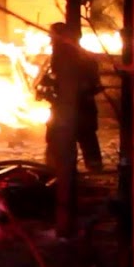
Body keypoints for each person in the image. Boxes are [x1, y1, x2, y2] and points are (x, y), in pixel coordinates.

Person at [40, 22, 104, 173]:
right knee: (87, 139)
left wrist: (49, 89)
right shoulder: (84, 55)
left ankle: (58, 171)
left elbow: (65, 80)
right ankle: (93, 168)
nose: (50, 39)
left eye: (52, 35)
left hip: (69, 107)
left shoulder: (64, 54)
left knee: (58, 138)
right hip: (83, 108)